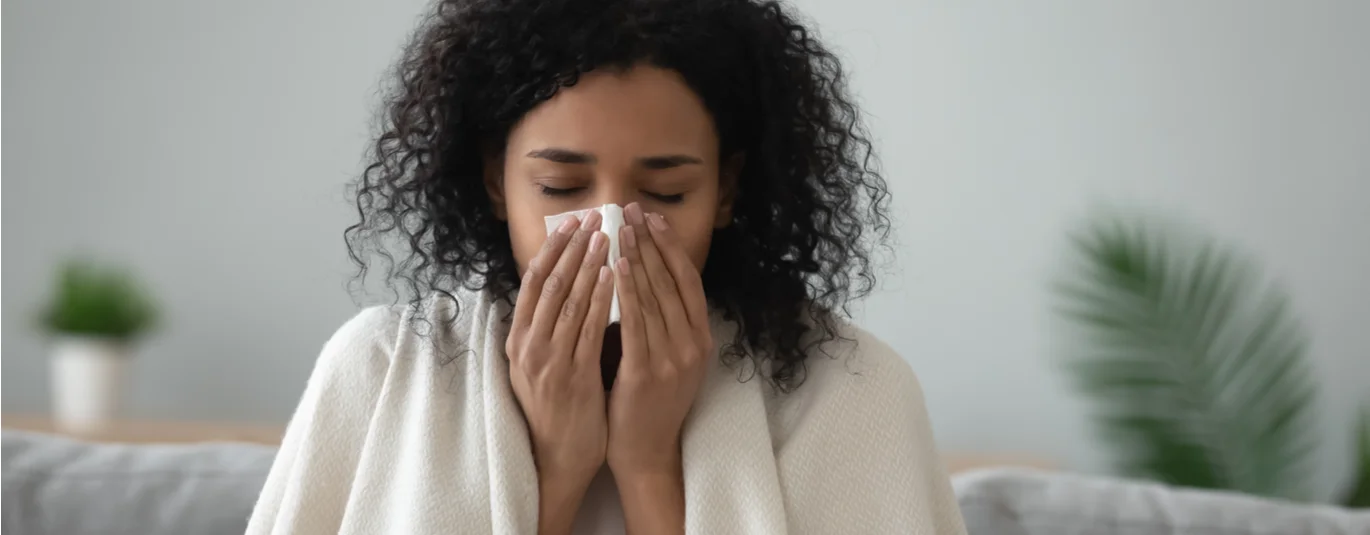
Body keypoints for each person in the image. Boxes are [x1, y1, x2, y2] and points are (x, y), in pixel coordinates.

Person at [247, 0, 967, 533]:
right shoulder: (380, 371)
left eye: (666, 191)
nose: (613, 229)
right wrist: (556, 469)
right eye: (561, 187)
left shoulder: (851, 391)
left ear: (727, 191)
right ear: (497, 180)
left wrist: (649, 466)